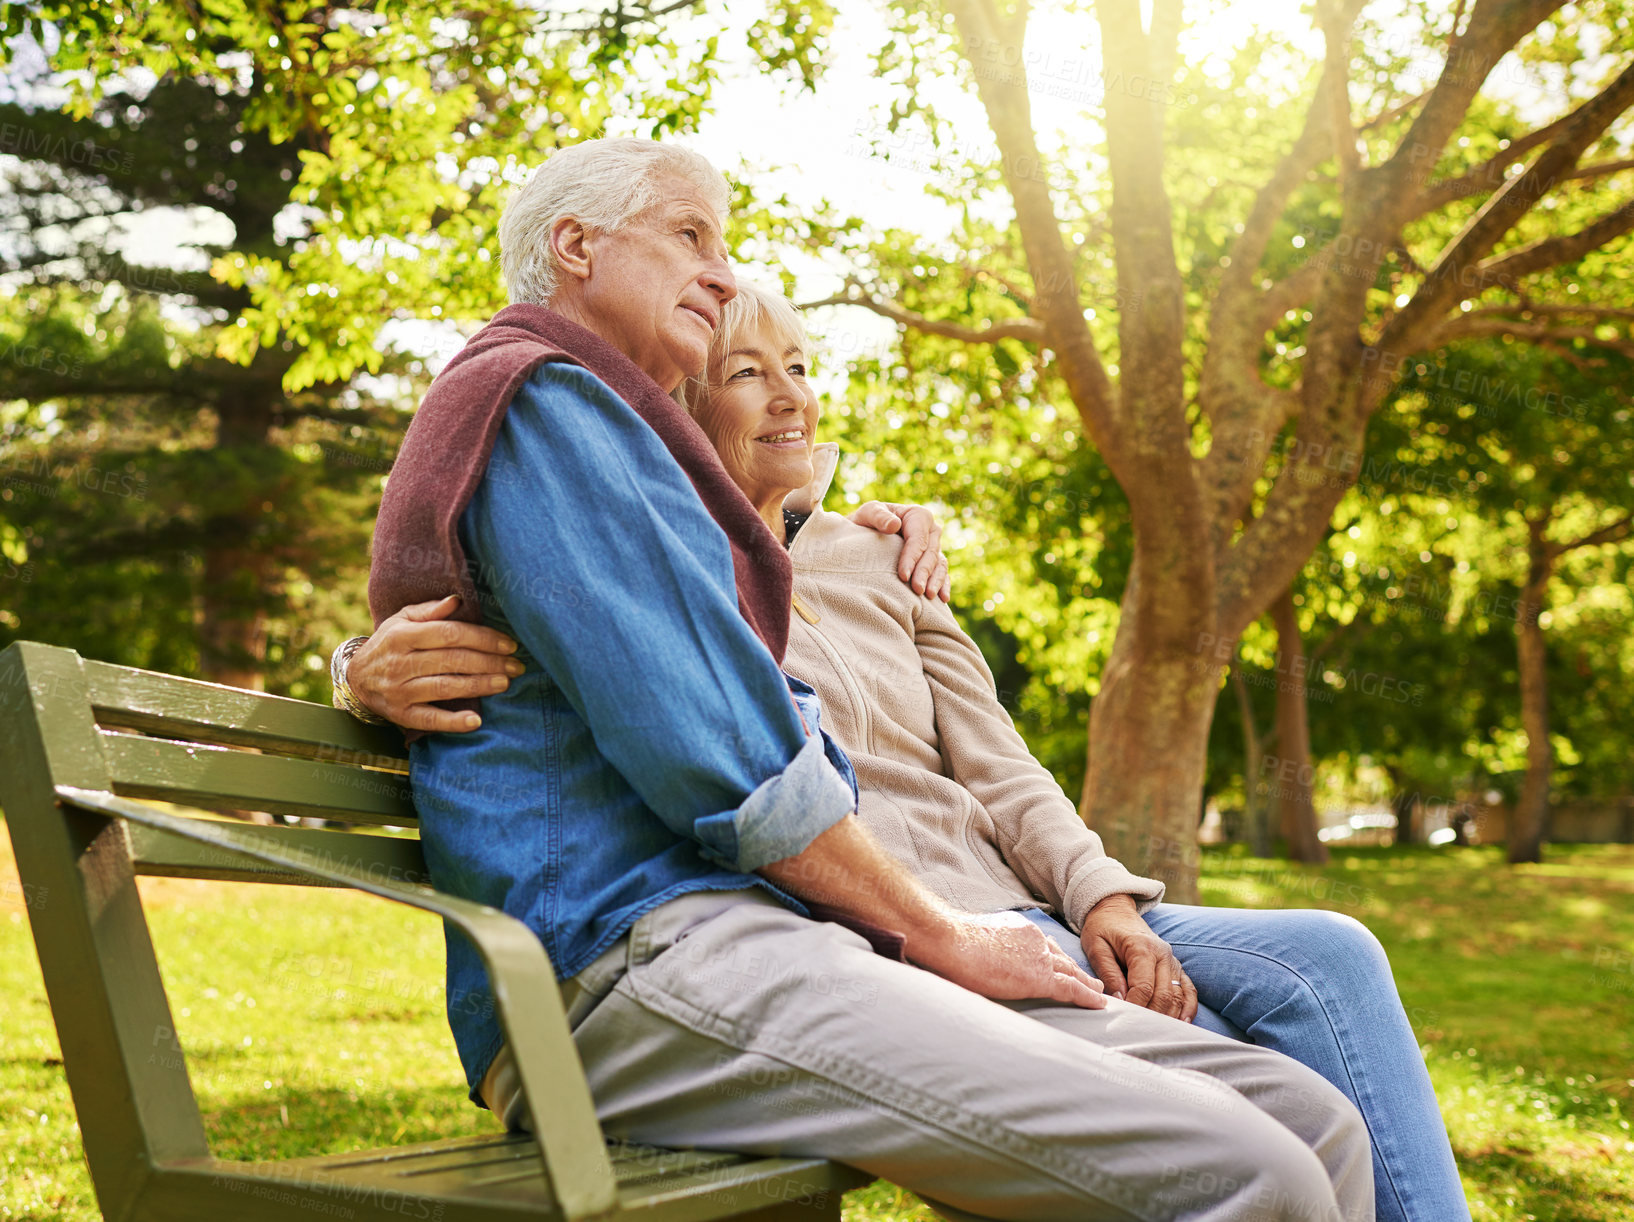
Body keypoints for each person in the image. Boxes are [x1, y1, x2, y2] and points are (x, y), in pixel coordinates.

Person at [360, 135, 1376, 1222]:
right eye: (689, 235)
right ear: (574, 246)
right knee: (1248, 1174)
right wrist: (941, 933)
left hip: (760, 938)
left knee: (1306, 1118)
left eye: (725, 242)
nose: (721, 269)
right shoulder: (548, 403)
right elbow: (727, 759)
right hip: (622, 966)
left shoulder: (637, 449)